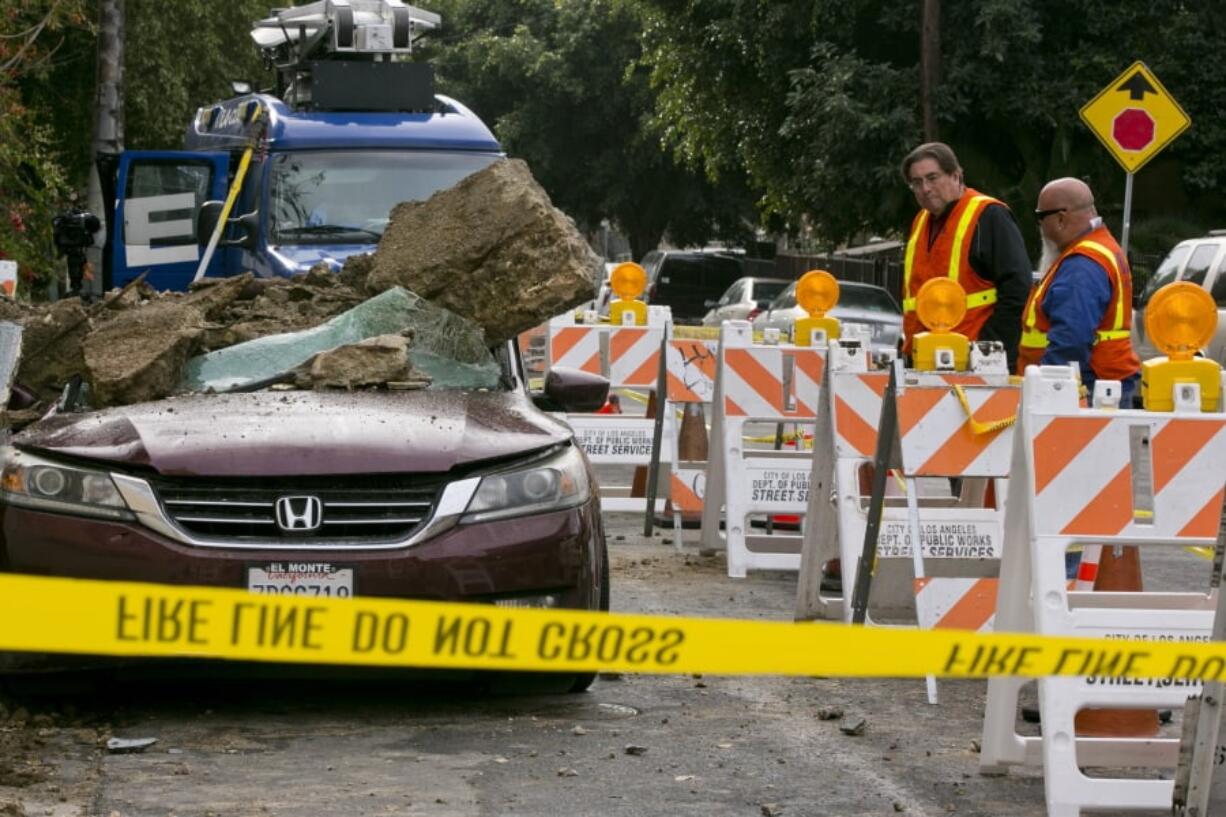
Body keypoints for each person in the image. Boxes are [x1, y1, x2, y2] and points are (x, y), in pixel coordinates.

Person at [899, 143, 1032, 370]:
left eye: (932, 178)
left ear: (956, 176)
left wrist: (988, 351)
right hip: (923, 358)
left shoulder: (989, 215)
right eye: (917, 182)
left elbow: (1017, 289)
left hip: (973, 360)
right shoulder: (921, 221)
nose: (925, 188)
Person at [1017, 177, 1140, 404]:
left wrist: (1045, 390)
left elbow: (1071, 339)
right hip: (1099, 383)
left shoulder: (1082, 264)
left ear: (1061, 219)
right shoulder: (1097, 250)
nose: (1039, 226)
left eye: (1041, 217)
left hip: (1087, 387)